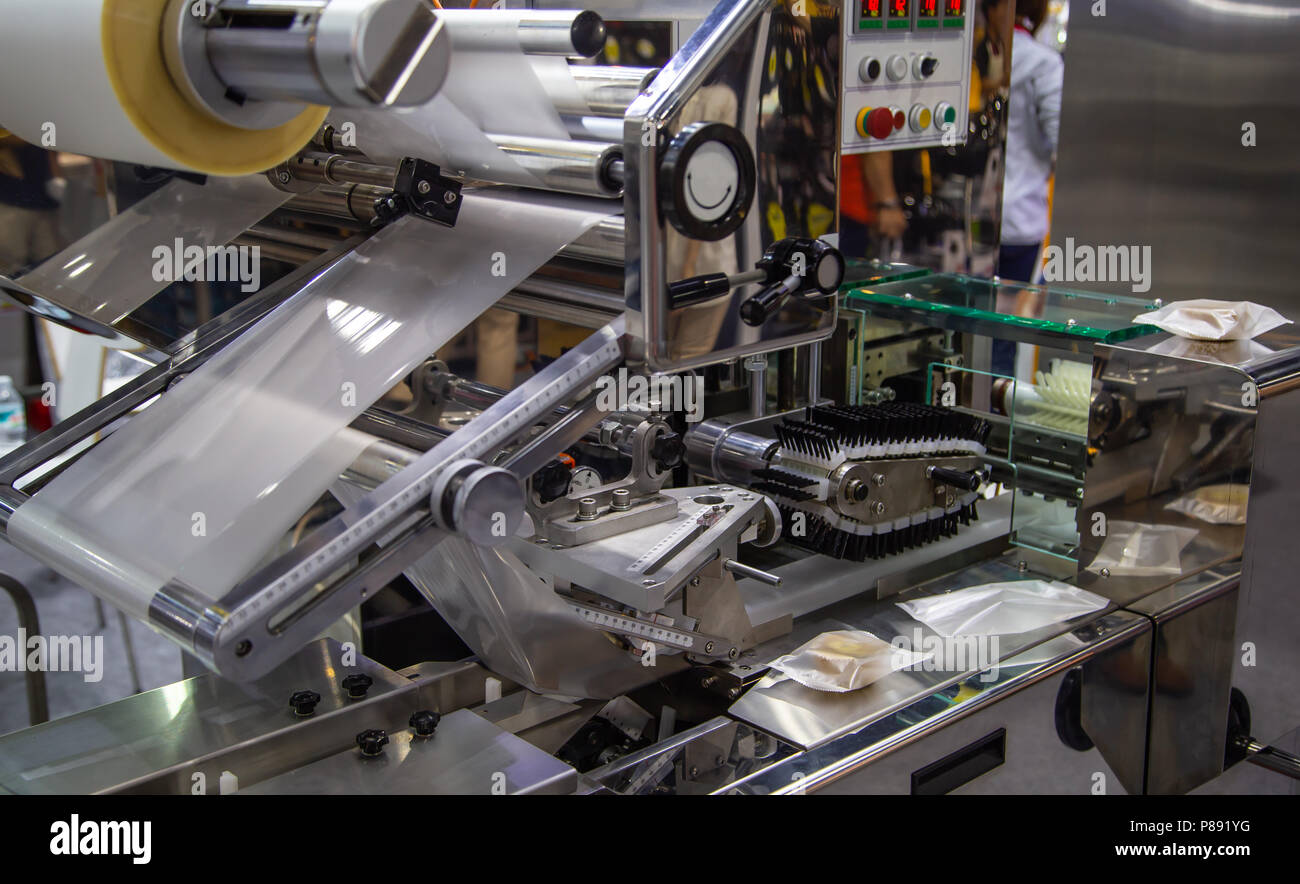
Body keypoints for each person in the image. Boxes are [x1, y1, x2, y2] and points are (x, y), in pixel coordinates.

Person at [988, 0, 1062, 285]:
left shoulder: (971, 58)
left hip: (966, 221)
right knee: (1010, 323)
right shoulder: (1043, 63)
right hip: (1020, 217)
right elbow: (1061, 141)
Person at [0, 131, 64, 275]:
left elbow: (50, 150)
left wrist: (56, 177)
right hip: (9, 197)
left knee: (51, 263)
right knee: (8, 263)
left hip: (42, 198)